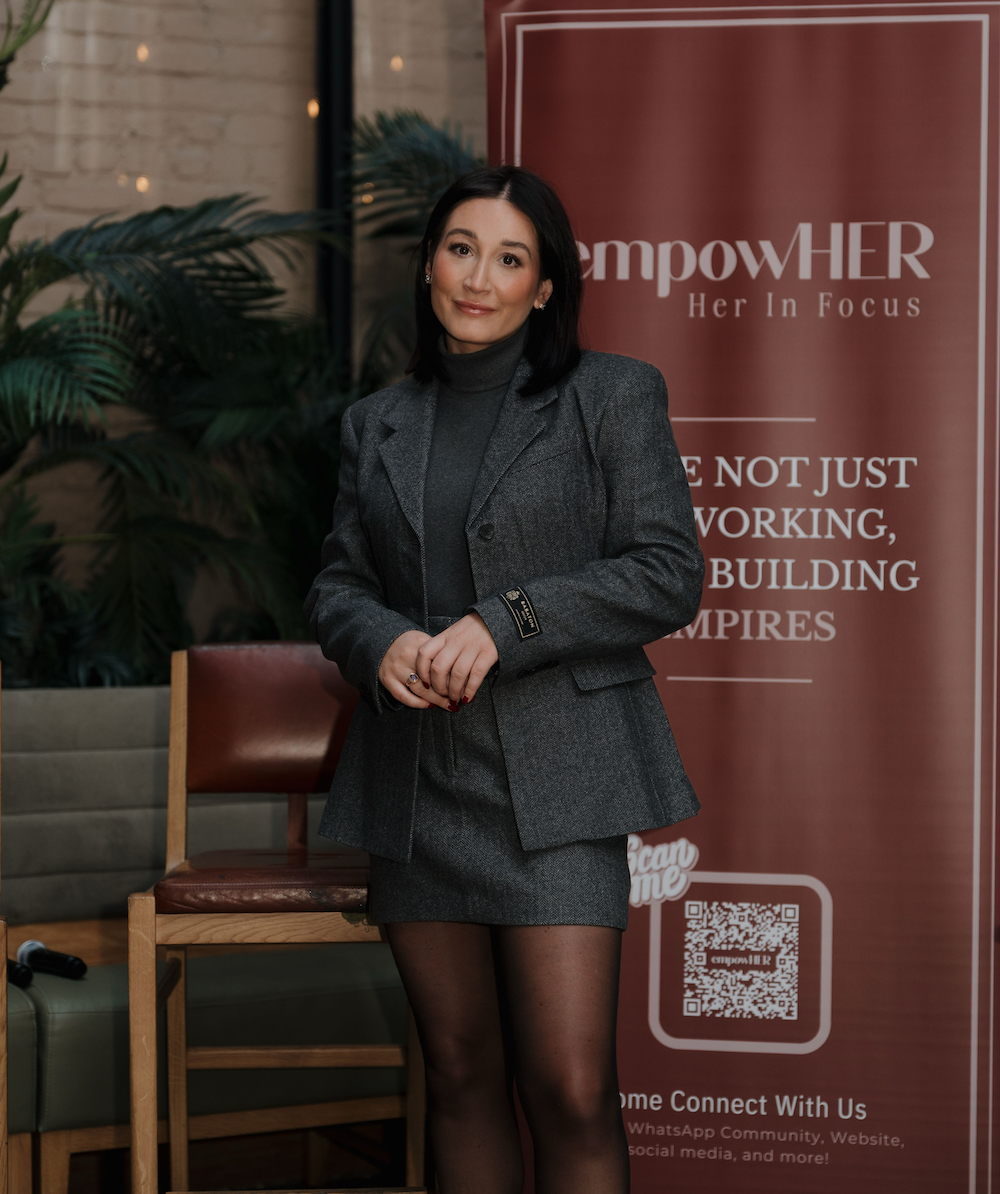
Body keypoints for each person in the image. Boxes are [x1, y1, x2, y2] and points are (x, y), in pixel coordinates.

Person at [305, 165, 703, 1194]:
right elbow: (339, 585)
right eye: (461, 248)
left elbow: (667, 572)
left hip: (564, 785)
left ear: (545, 285)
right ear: (428, 264)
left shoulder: (612, 394)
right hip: (418, 786)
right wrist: (380, 641)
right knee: (459, 1077)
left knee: (570, 1089)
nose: (478, 277)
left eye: (510, 258)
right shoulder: (374, 422)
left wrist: (508, 620)